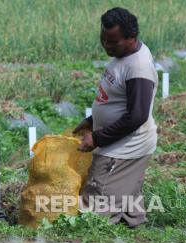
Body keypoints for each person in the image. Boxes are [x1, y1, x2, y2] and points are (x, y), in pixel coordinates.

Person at [73, 7, 158, 228]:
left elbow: (136, 116)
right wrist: (92, 121)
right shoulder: (123, 56)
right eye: (103, 40)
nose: (106, 46)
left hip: (125, 147)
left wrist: (97, 138)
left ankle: (97, 241)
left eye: (113, 42)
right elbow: (116, 102)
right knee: (127, 200)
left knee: (94, 206)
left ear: (131, 37)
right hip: (117, 142)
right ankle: (134, 226)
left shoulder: (138, 67)